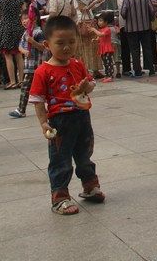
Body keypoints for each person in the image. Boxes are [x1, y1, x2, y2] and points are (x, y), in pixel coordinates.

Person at [28, 15, 105, 215]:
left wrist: (86, 86)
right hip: (59, 122)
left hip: (82, 117)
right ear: (47, 44)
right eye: (60, 43)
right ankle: (60, 197)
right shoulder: (43, 71)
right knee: (60, 160)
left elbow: (89, 85)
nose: (67, 47)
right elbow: (37, 99)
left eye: (71, 42)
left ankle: (90, 186)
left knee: (84, 154)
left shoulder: (78, 65)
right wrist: (43, 123)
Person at [9, 11, 45, 118]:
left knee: (28, 87)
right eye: (22, 19)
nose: (24, 21)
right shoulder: (25, 33)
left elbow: (43, 47)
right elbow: (20, 47)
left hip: (37, 66)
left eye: (26, 18)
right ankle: (22, 109)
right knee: (29, 88)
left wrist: (32, 42)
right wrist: (24, 51)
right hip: (28, 67)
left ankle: (21, 109)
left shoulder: (38, 32)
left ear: (34, 19)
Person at [119, 0, 155, 77]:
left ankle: (137, 71)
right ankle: (151, 69)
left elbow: (123, 12)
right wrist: (150, 20)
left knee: (135, 50)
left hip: (131, 29)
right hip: (145, 27)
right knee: (147, 48)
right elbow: (151, 10)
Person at [0, 0, 25, 88]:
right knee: (18, 55)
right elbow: (23, 11)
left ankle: (12, 81)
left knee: (8, 55)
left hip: (6, 28)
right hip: (17, 26)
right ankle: (21, 80)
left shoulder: (0, 1)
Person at [89, 12, 115, 82]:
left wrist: (94, 30)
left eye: (100, 21)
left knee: (109, 63)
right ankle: (107, 75)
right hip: (103, 48)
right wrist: (95, 40)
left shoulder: (107, 29)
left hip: (107, 49)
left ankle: (110, 76)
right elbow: (99, 38)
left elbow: (100, 35)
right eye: (98, 21)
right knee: (105, 63)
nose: (99, 23)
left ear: (106, 22)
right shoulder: (102, 29)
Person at [116, 0, 131, 76]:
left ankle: (136, 67)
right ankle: (126, 69)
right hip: (124, 25)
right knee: (125, 48)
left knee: (134, 47)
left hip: (134, 25)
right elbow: (123, 10)